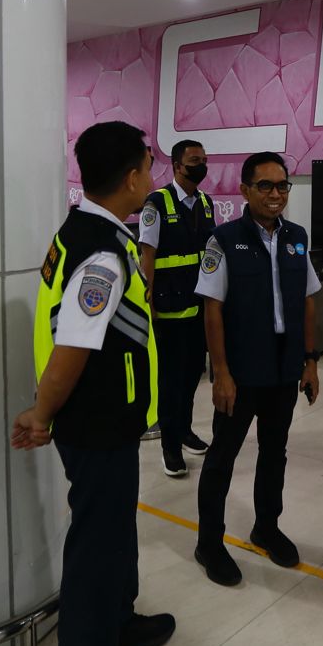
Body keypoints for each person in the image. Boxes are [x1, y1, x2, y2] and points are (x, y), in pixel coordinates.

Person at [12, 121, 176, 646]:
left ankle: (118, 625)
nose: (152, 178)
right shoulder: (101, 255)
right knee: (96, 547)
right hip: (96, 422)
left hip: (110, 418)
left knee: (115, 533)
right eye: (148, 168)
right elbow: (72, 348)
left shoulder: (86, 230)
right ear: (131, 178)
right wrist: (41, 414)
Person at [191, 151, 322, 586]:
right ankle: (209, 543)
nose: (275, 194)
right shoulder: (223, 240)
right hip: (241, 372)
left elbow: (307, 300)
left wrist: (310, 360)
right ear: (245, 190)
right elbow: (212, 309)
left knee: (274, 453)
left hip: (284, 369)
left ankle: (266, 527)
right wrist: (221, 373)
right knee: (222, 457)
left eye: (282, 185)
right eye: (265, 185)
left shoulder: (296, 237)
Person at [138, 139, 217, 479]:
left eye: (204, 159)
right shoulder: (157, 203)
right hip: (168, 310)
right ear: (177, 166)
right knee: (170, 382)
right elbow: (148, 255)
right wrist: (148, 301)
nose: (202, 165)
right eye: (195, 160)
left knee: (191, 376)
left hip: (199, 308)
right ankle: (170, 447)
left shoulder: (206, 202)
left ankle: (184, 430)